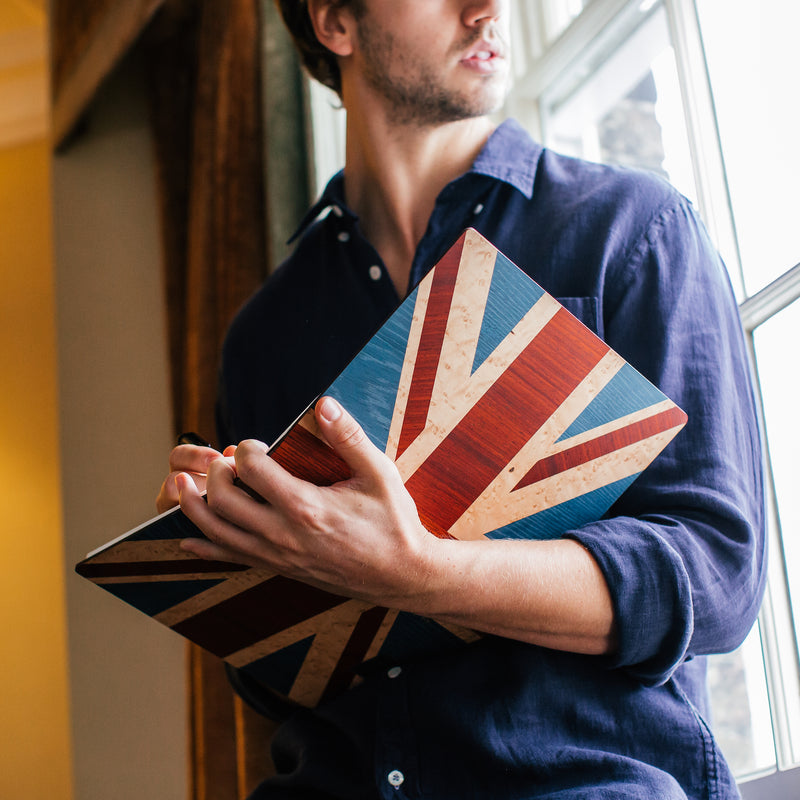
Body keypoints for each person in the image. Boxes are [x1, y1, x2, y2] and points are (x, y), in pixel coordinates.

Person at [157, 1, 766, 797]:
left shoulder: (631, 232)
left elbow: (718, 578)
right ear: (335, 21)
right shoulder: (263, 336)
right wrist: (229, 564)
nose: (486, 10)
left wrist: (422, 572)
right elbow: (278, 689)